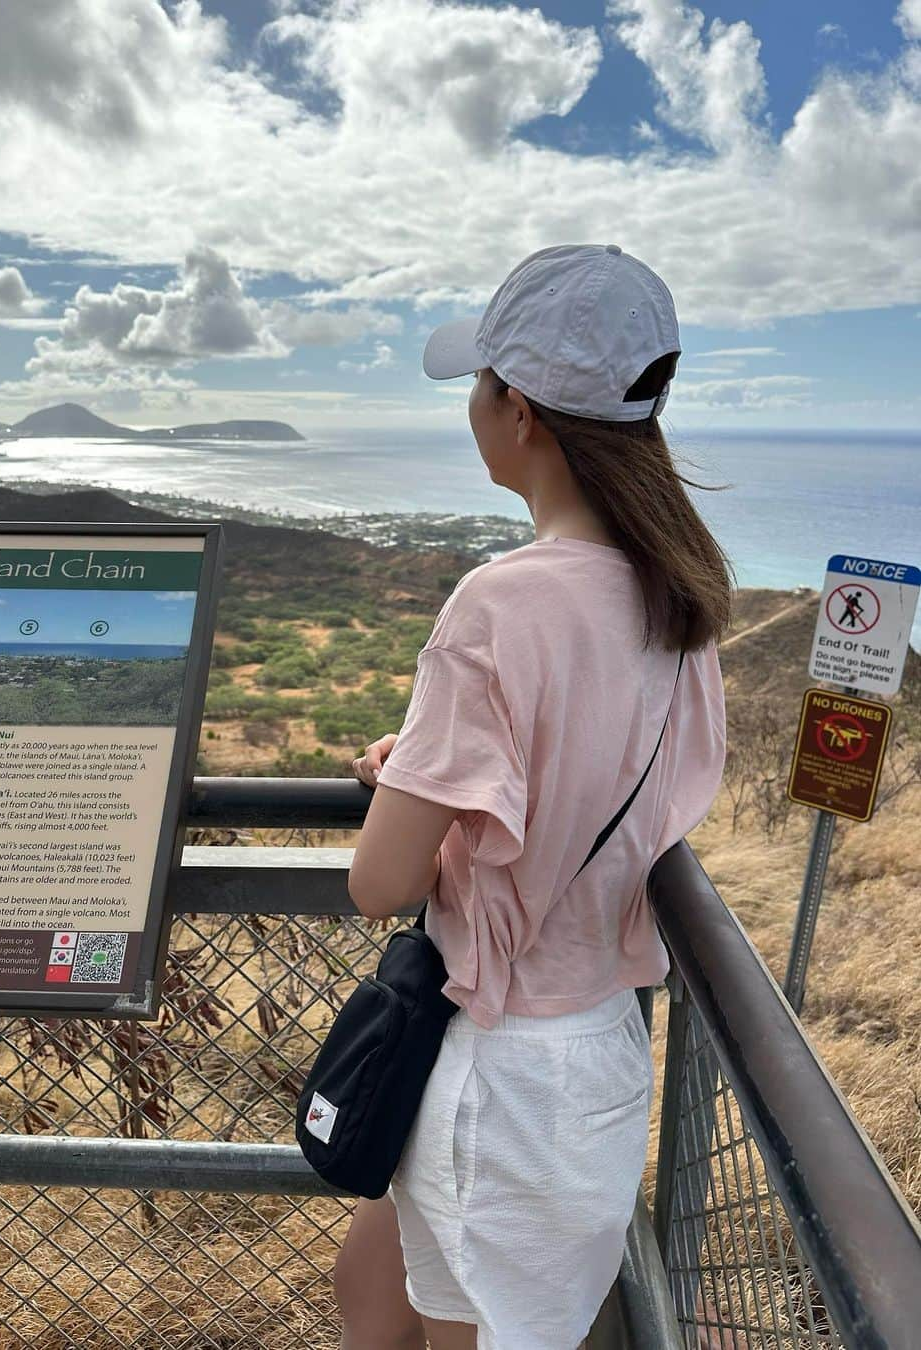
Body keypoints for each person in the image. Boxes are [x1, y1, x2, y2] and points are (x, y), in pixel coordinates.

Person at [335, 243, 731, 1350]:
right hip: (593, 1053)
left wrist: (413, 795)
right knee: (379, 1291)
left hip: (495, 1079)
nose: (473, 404)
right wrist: (429, 771)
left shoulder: (500, 603)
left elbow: (380, 884)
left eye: (480, 381)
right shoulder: (680, 597)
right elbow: (594, 781)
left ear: (521, 411)